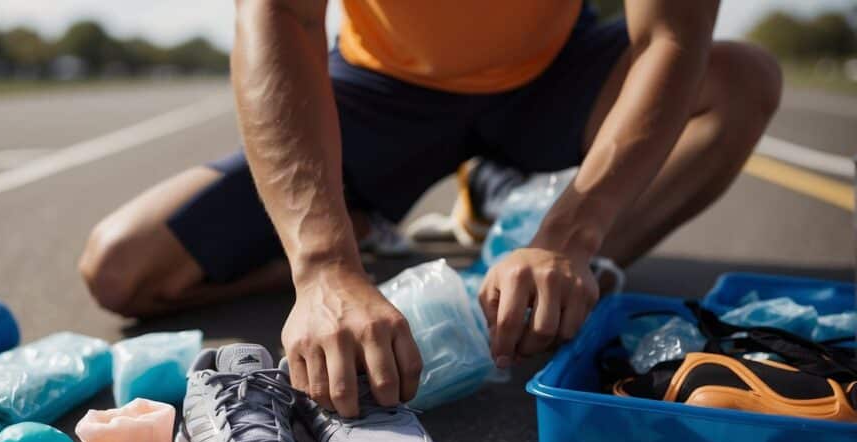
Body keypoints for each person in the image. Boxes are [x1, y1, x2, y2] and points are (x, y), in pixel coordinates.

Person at [78, 0, 782, 419]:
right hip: (383, 91)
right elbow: (279, 13)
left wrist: (570, 236)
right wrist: (322, 263)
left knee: (742, 81)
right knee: (122, 268)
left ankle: (524, 233)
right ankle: (369, 231)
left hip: (554, 80)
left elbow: (670, 37)